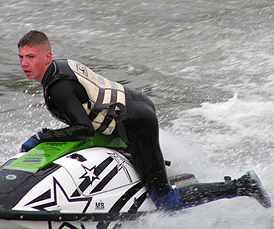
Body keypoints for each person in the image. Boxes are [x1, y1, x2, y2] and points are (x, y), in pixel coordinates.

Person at [18, 30, 271, 211]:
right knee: (141, 168)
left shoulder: (58, 88)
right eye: (21, 58)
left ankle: (242, 185)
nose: (25, 64)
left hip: (135, 123)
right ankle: (168, 176)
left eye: (31, 57)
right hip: (134, 106)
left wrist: (42, 136)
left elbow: (82, 129)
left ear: (47, 57)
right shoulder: (60, 69)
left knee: (165, 201)